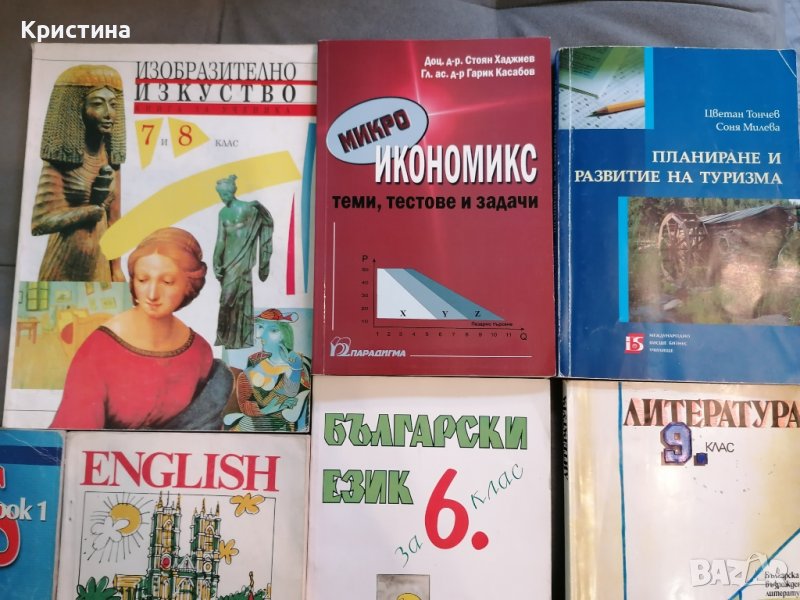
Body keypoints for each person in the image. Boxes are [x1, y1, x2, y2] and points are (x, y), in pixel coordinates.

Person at [50, 228, 232, 429]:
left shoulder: (198, 350)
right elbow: (75, 434)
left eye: (167, 282)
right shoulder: (99, 349)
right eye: (143, 280)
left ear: (189, 285)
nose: (152, 294)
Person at [32, 64, 127, 282]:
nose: (108, 114)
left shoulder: (111, 159)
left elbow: (114, 220)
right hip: (63, 261)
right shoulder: (61, 159)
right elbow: (39, 223)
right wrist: (88, 212)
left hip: (99, 263)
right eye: (98, 104)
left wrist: (116, 268)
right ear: (77, 109)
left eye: (113, 105)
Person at [213, 174, 274, 349]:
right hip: (227, 261)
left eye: (225, 194)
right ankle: (226, 336)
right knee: (226, 300)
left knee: (233, 298)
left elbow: (266, 222)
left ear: (233, 192)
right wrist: (216, 259)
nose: (223, 198)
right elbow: (221, 239)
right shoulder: (222, 213)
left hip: (242, 259)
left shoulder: (248, 209)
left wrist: (260, 208)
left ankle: (237, 338)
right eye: (221, 195)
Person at [225, 308, 310, 432]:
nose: (262, 335)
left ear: (284, 334)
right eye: (260, 327)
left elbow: (293, 396)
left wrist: (296, 370)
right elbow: (245, 404)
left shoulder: (298, 363)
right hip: (246, 429)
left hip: (282, 431)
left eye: (273, 330)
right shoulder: (253, 363)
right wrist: (267, 409)